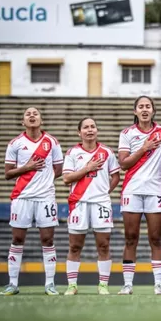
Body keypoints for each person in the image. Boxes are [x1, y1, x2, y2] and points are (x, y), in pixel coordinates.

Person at [1, 107, 63, 296]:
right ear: (23, 122)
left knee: (48, 239)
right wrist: (26, 167)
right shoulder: (16, 144)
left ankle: (50, 284)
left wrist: (43, 183)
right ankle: (12, 283)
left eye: (35, 113)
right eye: (28, 114)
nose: (32, 115)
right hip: (22, 197)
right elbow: (8, 173)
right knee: (17, 239)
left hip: (45, 197)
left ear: (41, 120)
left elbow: (58, 169)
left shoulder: (52, 142)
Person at [117, 96, 161, 295]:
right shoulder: (127, 133)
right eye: (140, 106)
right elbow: (123, 164)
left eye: (148, 106)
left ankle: (158, 285)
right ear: (135, 111)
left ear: (153, 110)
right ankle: (127, 284)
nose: (144, 109)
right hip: (132, 189)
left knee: (156, 238)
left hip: (155, 190)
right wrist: (144, 148)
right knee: (130, 238)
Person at [62, 117, 120, 295]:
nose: (90, 130)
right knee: (74, 246)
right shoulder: (72, 153)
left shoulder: (107, 152)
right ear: (79, 132)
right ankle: (72, 285)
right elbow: (66, 179)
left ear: (97, 131)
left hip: (101, 203)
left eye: (93, 127)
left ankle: (103, 285)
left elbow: (116, 176)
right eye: (86, 127)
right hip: (79, 203)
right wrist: (87, 168)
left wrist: (104, 192)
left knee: (103, 245)